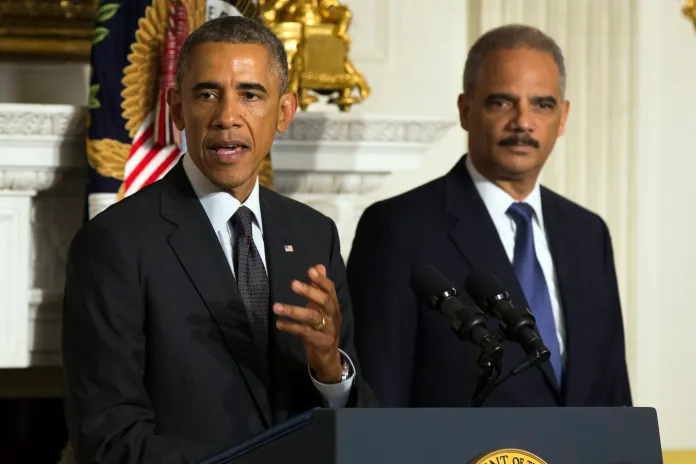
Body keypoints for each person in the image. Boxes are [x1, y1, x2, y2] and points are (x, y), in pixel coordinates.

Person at [61, 15, 376, 464]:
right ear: (175, 108)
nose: (227, 117)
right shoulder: (114, 244)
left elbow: (355, 422)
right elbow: (109, 439)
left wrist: (331, 371)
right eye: (207, 94)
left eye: (250, 95)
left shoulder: (313, 234)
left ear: (285, 111)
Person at [346, 24, 632, 408]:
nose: (523, 122)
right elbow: (379, 398)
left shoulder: (588, 233)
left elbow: (612, 392)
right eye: (501, 102)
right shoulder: (397, 229)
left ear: (562, 117)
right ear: (466, 110)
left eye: (542, 104)